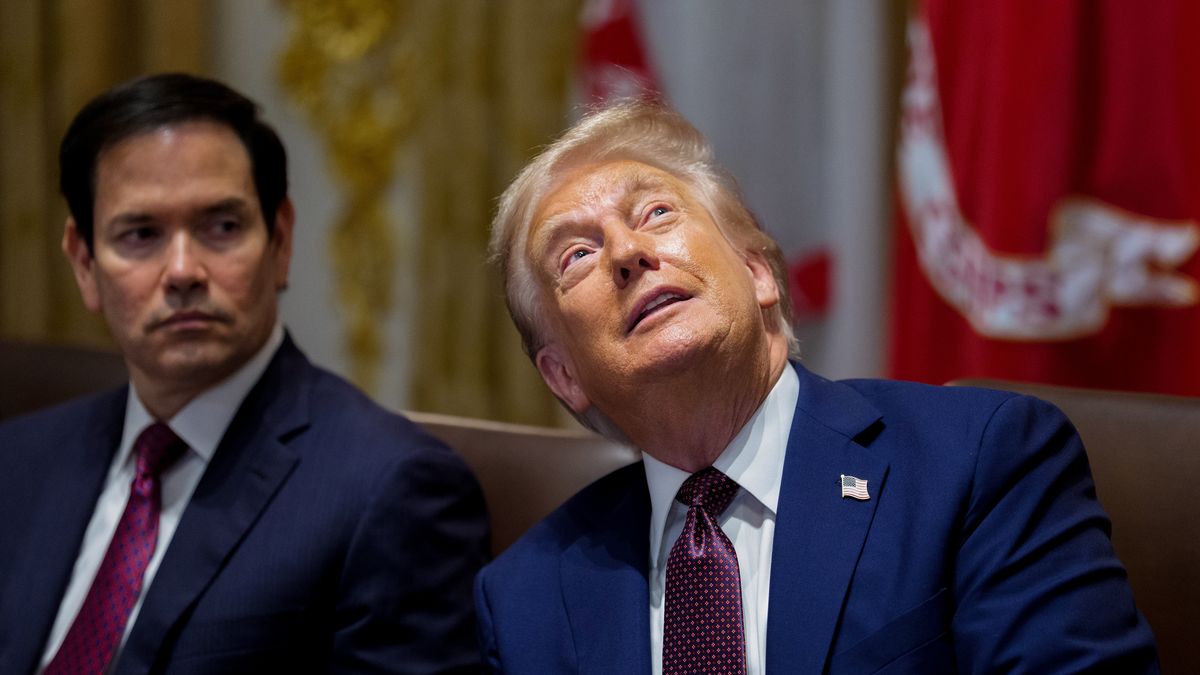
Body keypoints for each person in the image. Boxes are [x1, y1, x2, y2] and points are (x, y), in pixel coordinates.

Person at [475, 101, 1159, 674]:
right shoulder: (525, 599)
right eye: (577, 255)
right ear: (564, 375)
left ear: (759, 273)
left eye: (655, 213)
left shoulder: (980, 464)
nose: (627, 253)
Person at [0, 73, 489, 674]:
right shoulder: (17, 461)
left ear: (280, 240)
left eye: (221, 227)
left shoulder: (391, 489)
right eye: (141, 235)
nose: (183, 270)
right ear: (83, 263)